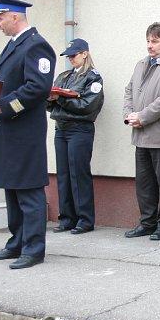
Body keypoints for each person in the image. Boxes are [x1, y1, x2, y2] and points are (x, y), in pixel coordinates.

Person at [0, 0, 56, 269]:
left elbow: (37, 88)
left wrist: (4, 106)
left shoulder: (37, 45)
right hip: (9, 129)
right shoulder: (14, 45)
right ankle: (17, 243)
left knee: (29, 191)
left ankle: (33, 249)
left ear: (15, 16)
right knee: (12, 189)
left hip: (25, 132)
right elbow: (7, 84)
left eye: (0, 17)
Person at [123, 23, 160, 241]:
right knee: (144, 182)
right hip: (140, 134)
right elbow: (129, 90)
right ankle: (147, 222)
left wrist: (142, 116)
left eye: (155, 41)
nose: (150, 45)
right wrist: (129, 114)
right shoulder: (141, 64)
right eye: (148, 41)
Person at [47, 38, 105, 235]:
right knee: (63, 175)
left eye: (74, 55)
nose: (70, 58)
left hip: (80, 129)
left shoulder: (93, 78)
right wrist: (52, 98)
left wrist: (61, 100)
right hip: (61, 129)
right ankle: (67, 218)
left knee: (79, 174)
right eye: (68, 56)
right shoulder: (64, 77)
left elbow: (88, 106)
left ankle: (85, 220)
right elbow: (50, 104)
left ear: (84, 54)